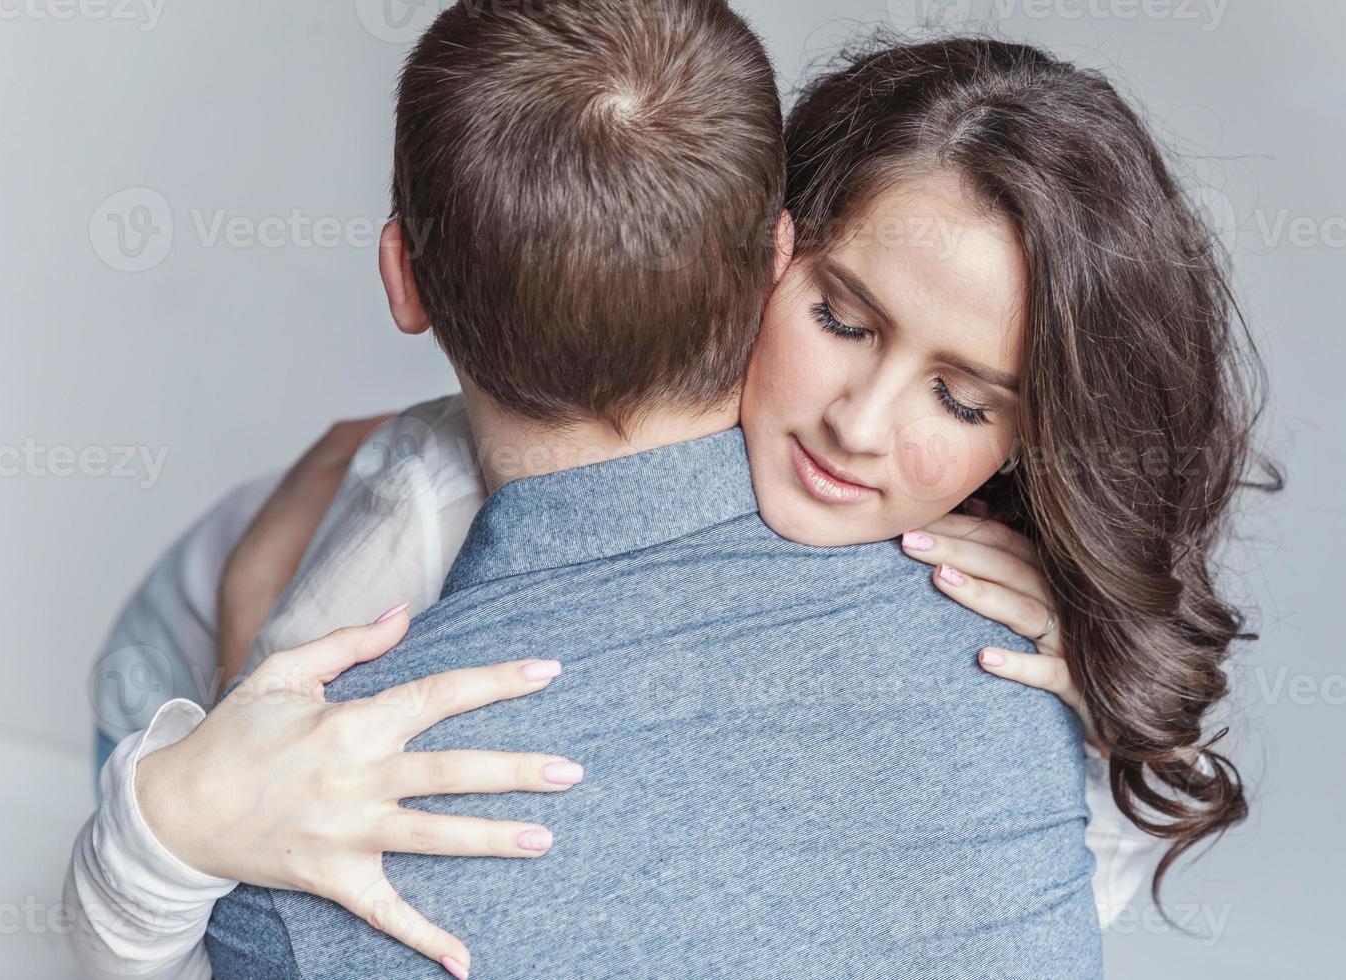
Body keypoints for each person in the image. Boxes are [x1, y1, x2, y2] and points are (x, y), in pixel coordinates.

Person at [67, 5, 1278, 979]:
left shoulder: (1007, 628)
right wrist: (188, 783)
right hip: (181, 671)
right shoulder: (418, 518)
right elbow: (260, 762)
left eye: (964, 402)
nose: (857, 426)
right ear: (768, 256)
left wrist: (1082, 699)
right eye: (843, 319)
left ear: (1036, 442)